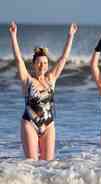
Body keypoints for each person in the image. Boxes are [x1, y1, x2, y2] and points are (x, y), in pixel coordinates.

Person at [9, 21, 77, 160]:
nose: (42, 65)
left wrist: (70, 36)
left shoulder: (51, 79)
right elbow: (18, 60)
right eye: (39, 63)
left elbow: (63, 58)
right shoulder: (27, 80)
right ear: (34, 64)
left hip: (49, 125)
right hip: (30, 123)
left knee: (48, 165)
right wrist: (13, 36)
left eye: (45, 63)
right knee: (32, 164)